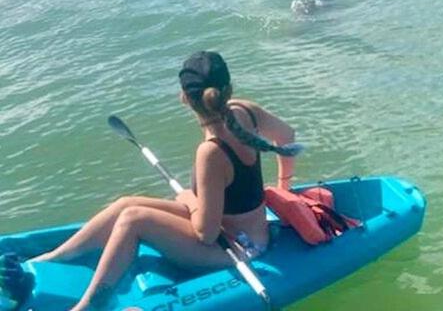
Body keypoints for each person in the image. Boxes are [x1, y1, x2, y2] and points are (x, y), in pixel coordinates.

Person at [31, 51, 298, 310]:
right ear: (228, 89)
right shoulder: (246, 110)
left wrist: (191, 201)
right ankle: (52, 259)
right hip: (239, 228)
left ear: (184, 98)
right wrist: (283, 188)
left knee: (133, 219)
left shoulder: (211, 152)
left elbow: (206, 234)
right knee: (126, 204)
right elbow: (286, 135)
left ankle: (87, 305)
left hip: (241, 247)